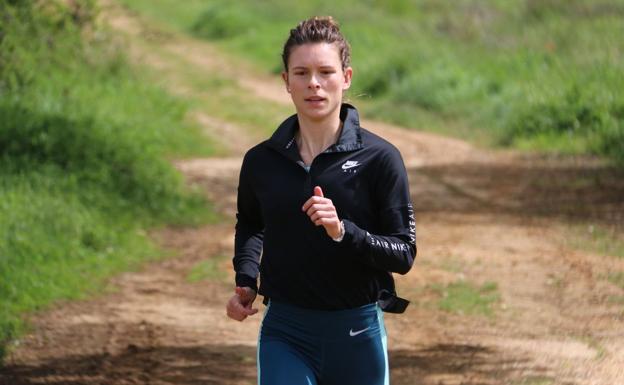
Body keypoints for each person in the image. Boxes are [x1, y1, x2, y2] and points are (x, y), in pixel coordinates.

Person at [226, 16, 416, 385]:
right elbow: (251, 223)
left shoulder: (380, 158)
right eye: (301, 72)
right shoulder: (262, 161)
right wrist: (247, 279)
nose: (313, 83)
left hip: (358, 335)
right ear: (286, 82)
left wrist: (343, 232)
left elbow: (403, 253)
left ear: (346, 78)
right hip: (285, 332)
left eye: (325, 72)